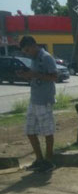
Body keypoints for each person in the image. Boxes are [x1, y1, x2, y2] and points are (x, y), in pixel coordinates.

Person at [18, 36, 57, 173]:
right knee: (30, 131)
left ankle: (49, 162)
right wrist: (27, 75)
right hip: (34, 99)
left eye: (28, 50)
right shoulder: (33, 59)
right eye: (25, 52)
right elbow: (35, 75)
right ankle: (39, 160)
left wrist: (35, 74)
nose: (27, 53)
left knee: (47, 132)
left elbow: (54, 77)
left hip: (45, 100)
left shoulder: (46, 57)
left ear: (34, 45)